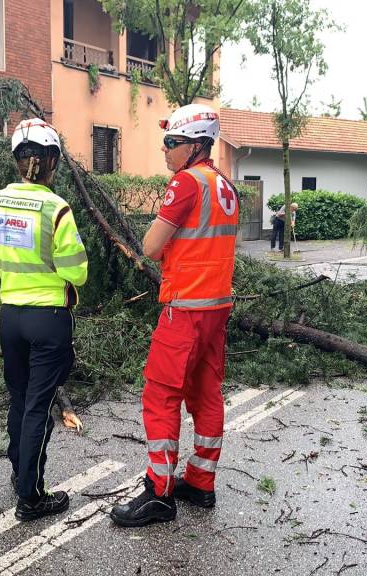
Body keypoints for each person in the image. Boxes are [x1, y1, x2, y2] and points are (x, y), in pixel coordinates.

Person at [110, 103, 238, 528]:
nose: (165, 150)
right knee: (205, 393)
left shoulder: (185, 183)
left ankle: (159, 492)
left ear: (197, 145)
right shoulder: (224, 185)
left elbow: (149, 245)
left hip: (185, 308)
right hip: (216, 307)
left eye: (172, 142)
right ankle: (201, 480)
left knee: (161, 394)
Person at [0, 118, 88, 522]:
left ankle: (18, 472)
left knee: (20, 399)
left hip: (11, 317)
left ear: (17, 160)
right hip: (49, 318)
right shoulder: (57, 209)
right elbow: (76, 271)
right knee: (39, 406)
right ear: (51, 161)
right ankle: (31, 495)